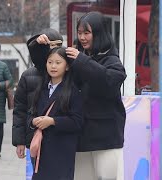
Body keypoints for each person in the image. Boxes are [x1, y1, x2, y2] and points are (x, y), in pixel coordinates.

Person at [37, 11, 127, 180]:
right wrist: (40, 47)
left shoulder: (111, 60)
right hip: (80, 137)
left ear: (99, 33)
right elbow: (52, 67)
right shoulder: (77, 57)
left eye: (87, 33)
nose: (82, 37)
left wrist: (81, 60)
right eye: (80, 33)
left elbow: (109, 82)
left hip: (106, 140)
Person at [29, 47, 83, 180]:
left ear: (67, 67)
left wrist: (53, 121)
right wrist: (33, 121)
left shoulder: (73, 91)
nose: (53, 66)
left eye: (58, 63)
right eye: (50, 62)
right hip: (42, 151)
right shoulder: (41, 88)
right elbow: (30, 113)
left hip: (62, 151)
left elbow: (77, 121)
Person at [12, 28, 63, 159]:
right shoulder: (27, 76)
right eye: (51, 46)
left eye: (59, 46)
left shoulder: (68, 73)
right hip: (34, 138)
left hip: (60, 137)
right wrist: (20, 141)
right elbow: (19, 110)